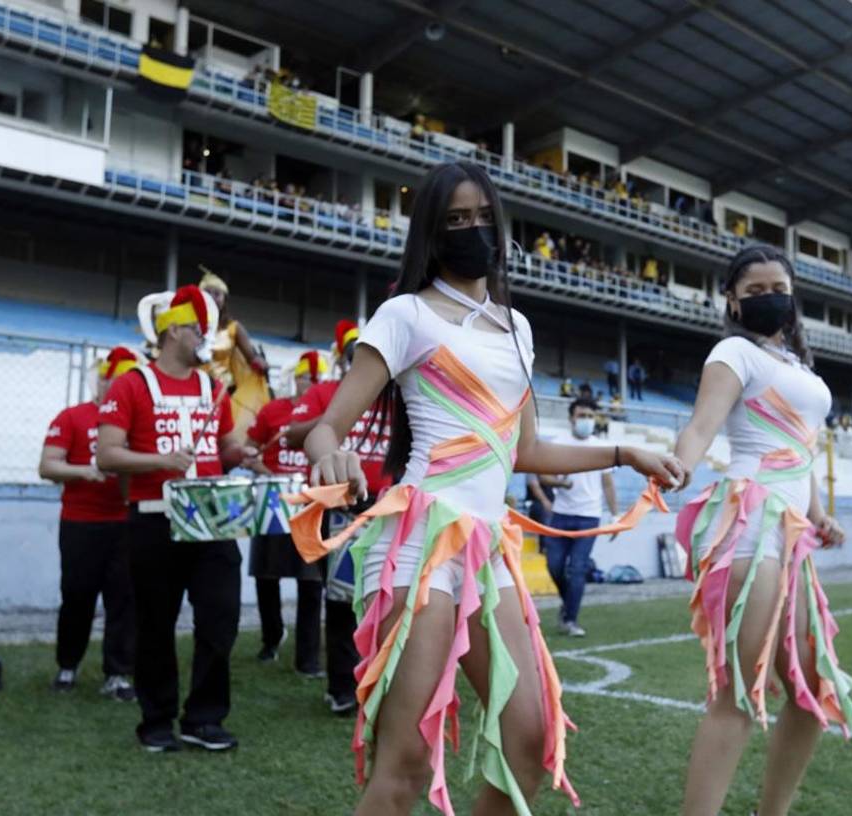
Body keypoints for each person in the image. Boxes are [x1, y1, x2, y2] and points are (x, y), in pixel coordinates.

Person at [290, 161, 686, 815]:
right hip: (419, 542)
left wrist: (623, 453)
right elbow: (326, 428)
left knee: (530, 740)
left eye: (482, 217)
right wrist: (333, 457)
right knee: (406, 762)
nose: (473, 230)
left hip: (486, 548)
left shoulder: (516, 328)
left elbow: (525, 451)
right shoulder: (405, 315)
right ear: (431, 231)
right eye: (455, 219)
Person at [673, 244, 852, 816]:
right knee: (736, 692)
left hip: (791, 534)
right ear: (733, 302)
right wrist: (678, 465)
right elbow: (701, 427)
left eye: (778, 289)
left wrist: (819, 513)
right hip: (750, 524)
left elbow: (797, 449)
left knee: (811, 692)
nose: (769, 298)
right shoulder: (734, 352)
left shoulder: (798, 368)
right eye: (754, 291)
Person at [96, 285, 259, 753]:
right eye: (196, 330)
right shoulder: (132, 384)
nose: (204, 338)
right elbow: (107, 454)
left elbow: (222, 446)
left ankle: (204, 718)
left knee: (220, 619)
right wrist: (160, 460)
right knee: (155, 623)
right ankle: (157, 720)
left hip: (212, 519)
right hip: (155, 518)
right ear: (172, 332)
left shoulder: (212, 386)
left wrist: (241, 454)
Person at [283, 321, 392, 716]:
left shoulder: (395, 397)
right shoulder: (326, 393)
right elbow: (291, 435)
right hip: (343, 508)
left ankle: (384, 680)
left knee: (390, 599)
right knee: (343, 600)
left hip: (390, 507)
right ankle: (343, 688)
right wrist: (336, 418)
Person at [39, 346, 142, 701]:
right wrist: (85, 471)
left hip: (125, 521)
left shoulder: (139, 419)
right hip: (81, 522)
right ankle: (67, 665)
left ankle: (118, 673)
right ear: (102, 382)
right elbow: (47, 465)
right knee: (77, 596)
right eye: (117, 380)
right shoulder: (72, 417)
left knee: (124, 599)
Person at [244, 350, 328, 673]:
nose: (311, 384)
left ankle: (307, 659)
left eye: (317, 379)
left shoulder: (328, 416)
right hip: (272, 501)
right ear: (296, 379)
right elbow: (250, 448)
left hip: (310, 505)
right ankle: (271, 638)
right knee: (267, 575)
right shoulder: (273, 411)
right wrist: (260, 466)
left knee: (311, 582)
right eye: (306, 378)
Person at [539, 397, 616, 637]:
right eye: (582, 416)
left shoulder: (602, 447)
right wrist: (562, 483)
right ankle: (568, 603)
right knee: (554, 566)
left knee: (578, 568)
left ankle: (570, 619)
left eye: (590, 416)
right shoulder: (558, 443)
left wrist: (615, 516)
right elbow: (544, 477)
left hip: (589, 516)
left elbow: (608, 483)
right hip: (561, 515)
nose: (586, 420)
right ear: (571, 418)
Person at [199, 267, 269, 437]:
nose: (212, 297)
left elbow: (252, 357)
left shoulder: (234, 328)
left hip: (222, 393)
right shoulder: (190, 325)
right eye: (208, 293)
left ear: (224, 299)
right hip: (193, 388)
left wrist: (260, 363)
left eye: (217, 294)